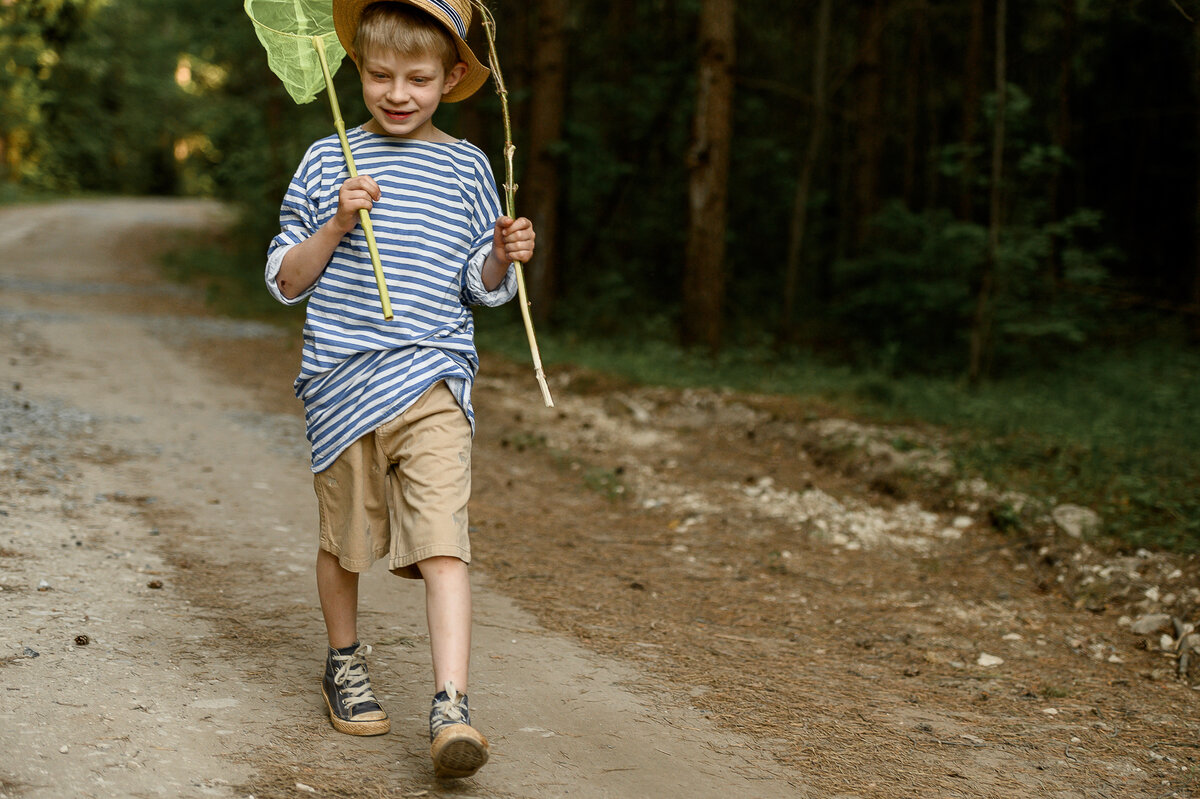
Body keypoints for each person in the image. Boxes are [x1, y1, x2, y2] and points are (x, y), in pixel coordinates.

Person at [264, 0, 534, 779]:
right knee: (345, 538)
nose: (398, 92)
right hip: (345, 381)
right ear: (356, 70)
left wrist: (504, 256)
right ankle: (344, 661)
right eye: (381, 74)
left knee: (444, 538)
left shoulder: (468, 167)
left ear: (452, 78)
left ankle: (452, 703)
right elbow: (285, 278)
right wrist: (337, 224)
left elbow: (477, 287)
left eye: (418, 78)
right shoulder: (327, 161)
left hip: (433, 377)